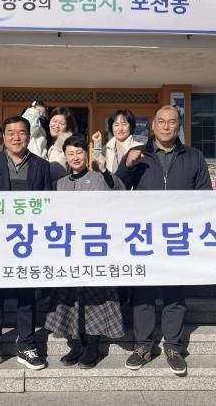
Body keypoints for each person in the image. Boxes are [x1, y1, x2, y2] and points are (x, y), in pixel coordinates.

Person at [115, 105, 211, 376]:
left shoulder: (193, 156)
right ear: (152, 126)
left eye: (172, 122)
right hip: (145, 235)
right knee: (142, 293)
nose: (167, 126)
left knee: (174, 294)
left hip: (178, 236)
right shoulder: (138, 155)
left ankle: (173, 347)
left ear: (178, 126)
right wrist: (127, 166)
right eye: (161, 121)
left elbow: (206, 195)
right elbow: (116, 189)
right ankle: (143, 346)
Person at [0, 115, 52, 373]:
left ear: (29, 136)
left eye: (21, 132)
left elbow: (49, 203)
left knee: (26, 294)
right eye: (11, 132)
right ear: (3, 137)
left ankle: (26, 344)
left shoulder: (41, 166)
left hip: (27, 240)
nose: (16, 137)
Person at [45, 135, 125, 369]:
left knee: (94, 297)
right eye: (70, 153)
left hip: (95, 247)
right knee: (70, 297)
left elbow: (119, 193)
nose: (75, 157)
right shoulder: (59, 184)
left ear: (86, 154)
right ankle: (76, 344)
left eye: (79, 152)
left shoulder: (99, 178)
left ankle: (92, 345)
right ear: (66, 157)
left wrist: (106, 171)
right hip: (68, 250)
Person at [91, 109, 142, 174]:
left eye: (124, 124)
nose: (120, 129)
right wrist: (97, 144)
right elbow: (96, 168)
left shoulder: (140, 147)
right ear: (111, 128)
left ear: (131, 126)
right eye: (116, 125)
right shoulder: (106, 149)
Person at [46, 106, 78, 181]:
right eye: (54, 121)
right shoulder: (50, 143)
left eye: (61, 123)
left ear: (68, 127)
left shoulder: (68, 146)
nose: (56, 126)